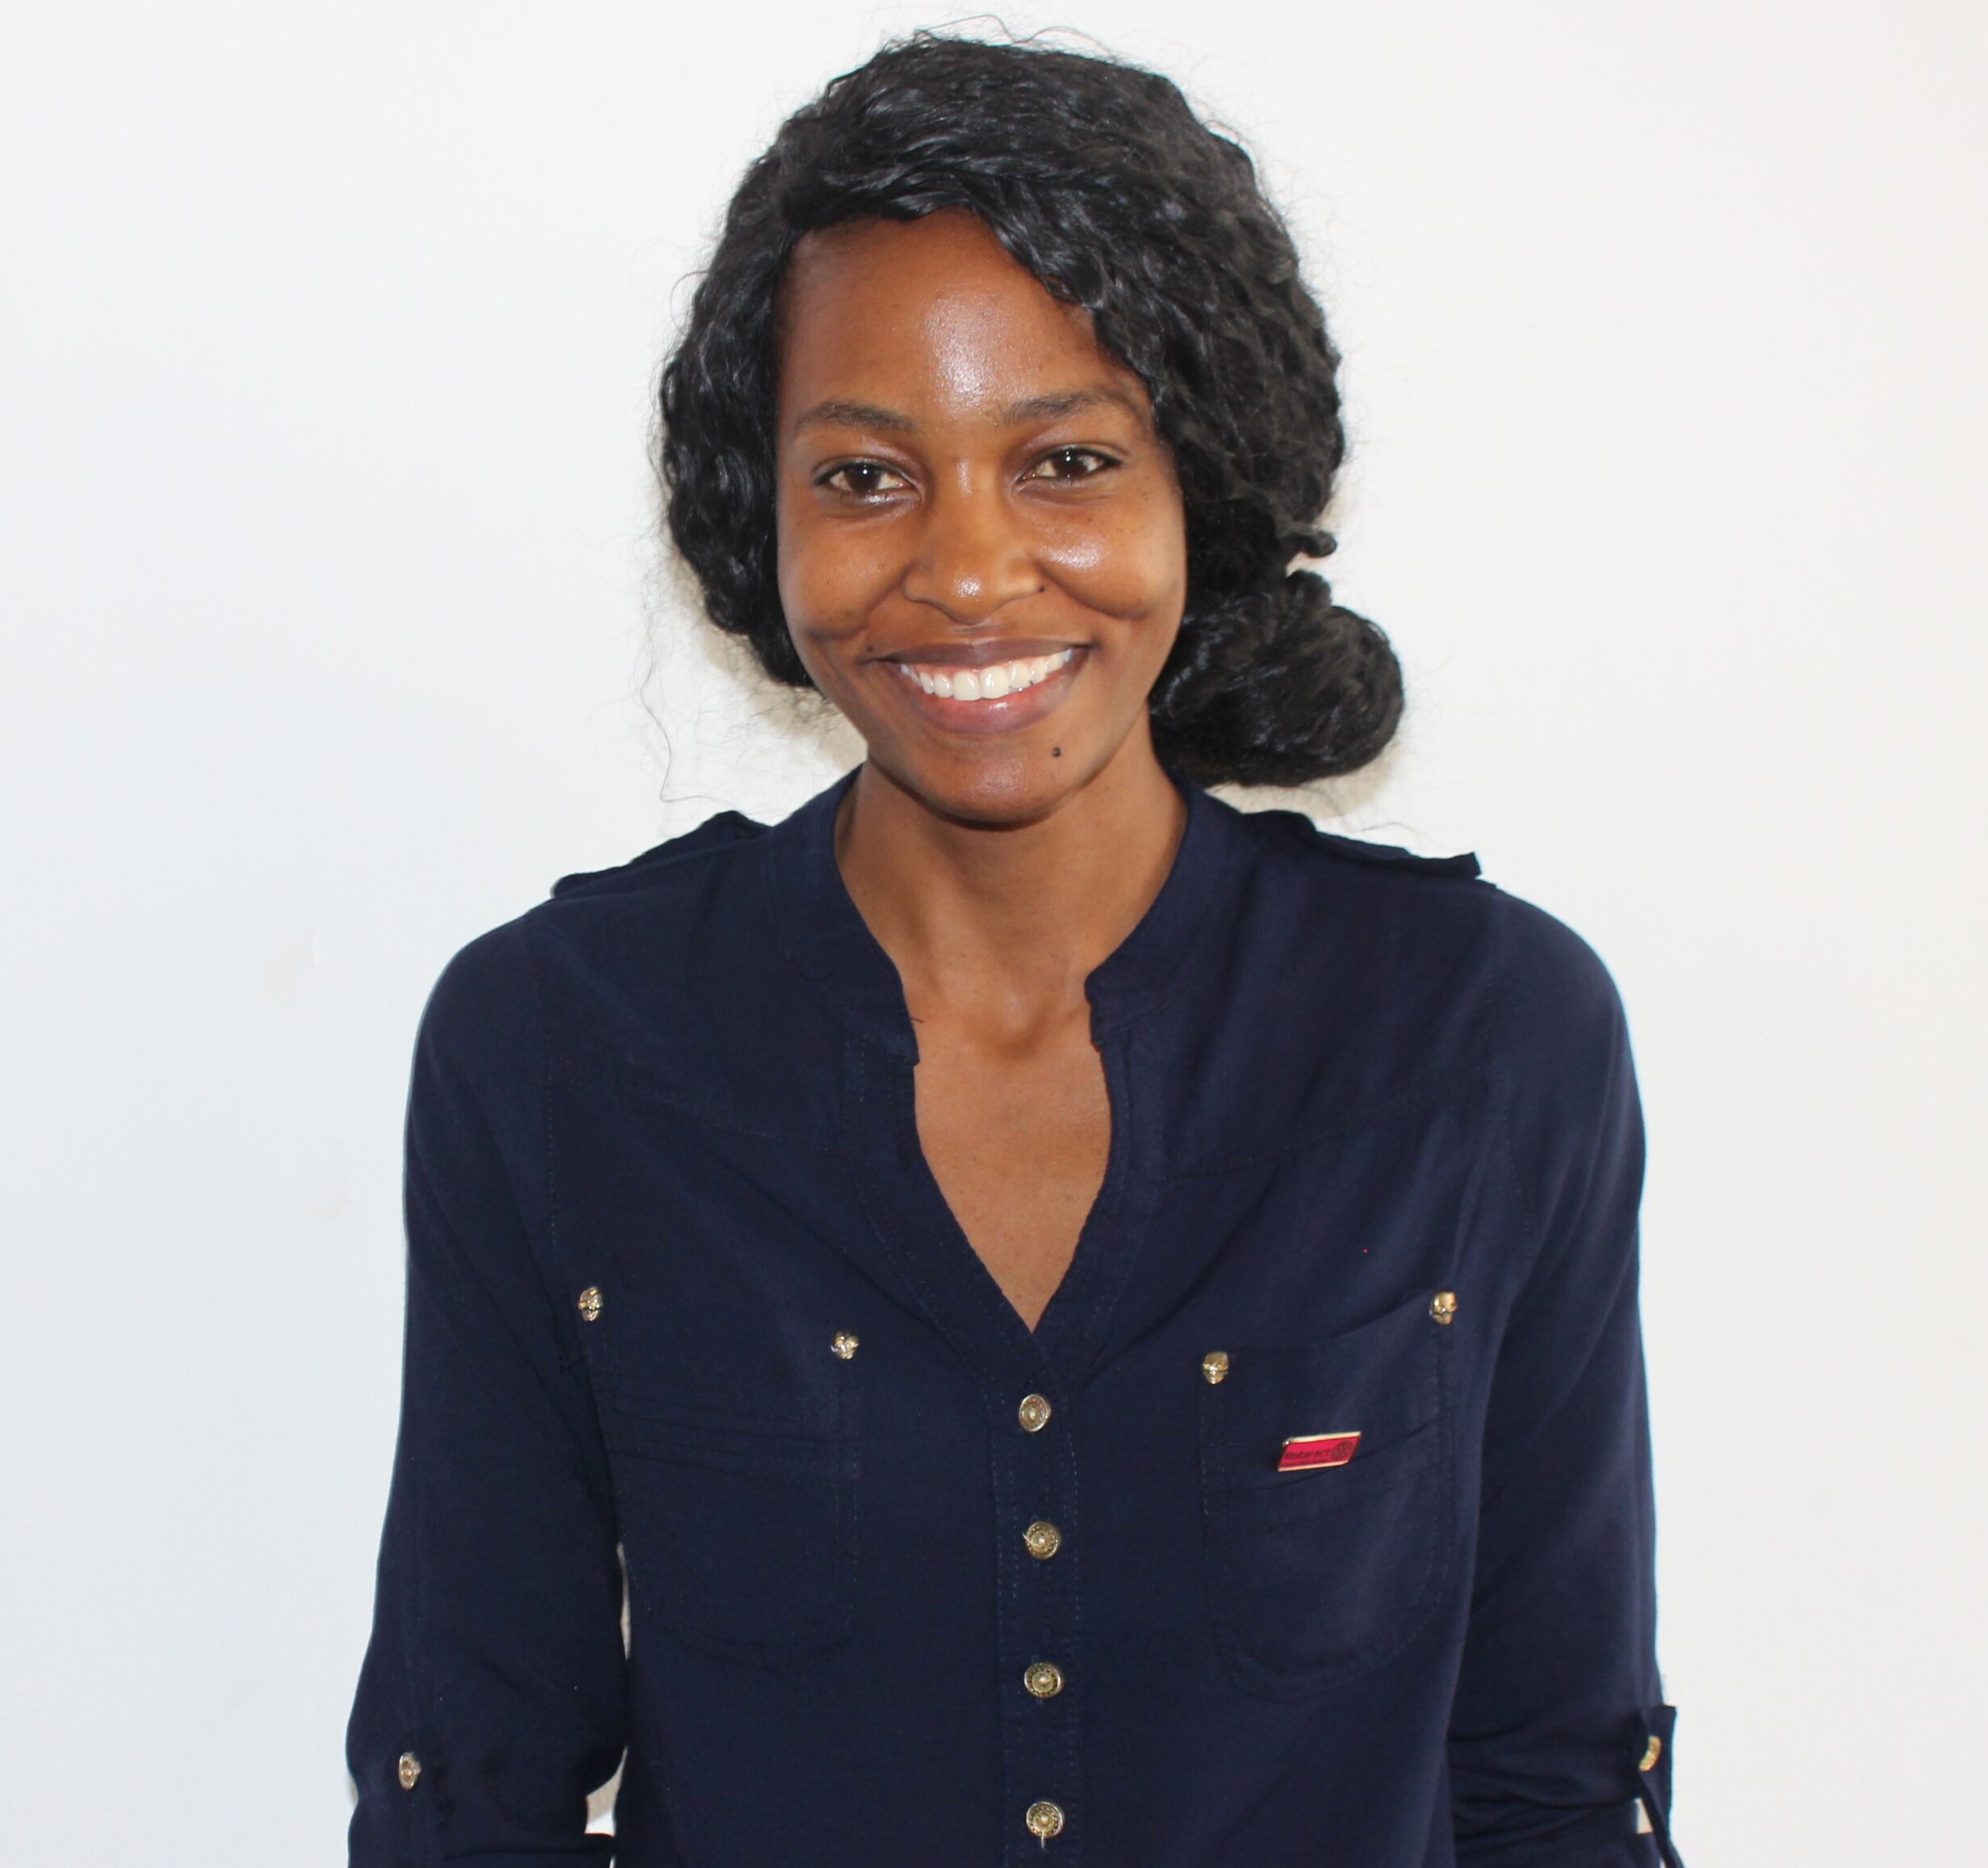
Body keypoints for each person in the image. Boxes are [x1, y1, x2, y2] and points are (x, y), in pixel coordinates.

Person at [345, 31, 1680, 1867]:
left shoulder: (1478, 1038)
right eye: (866, 476)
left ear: (1195, 483)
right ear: (767, 517)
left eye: (1062, 458)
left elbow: (1549, 1774)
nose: (967, 571)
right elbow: (463, 1781)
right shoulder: (560, 1046)